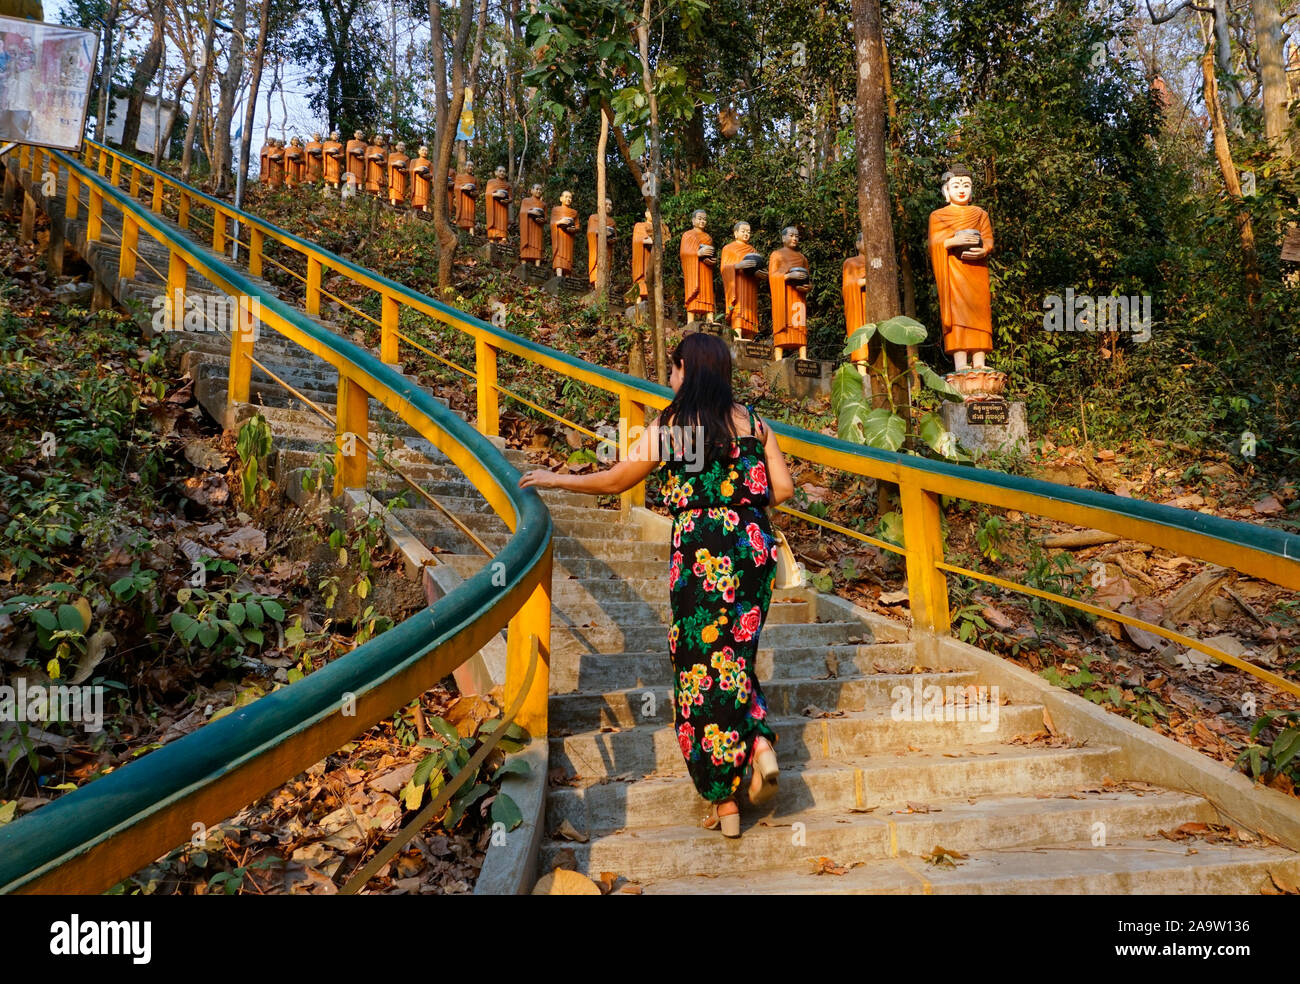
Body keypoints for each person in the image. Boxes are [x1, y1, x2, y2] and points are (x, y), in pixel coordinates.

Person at [519, 333, 795, 838]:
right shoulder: (755, 423)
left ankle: (724, 800)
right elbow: (783, 489)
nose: (669, 379)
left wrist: (557, 480)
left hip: (700, 548)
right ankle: (756, 742)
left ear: (687, 370)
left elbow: (617, 480)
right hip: (752, 546)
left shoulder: (674, 427)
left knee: (697, 666)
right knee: (733, 654)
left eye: (672, 368)